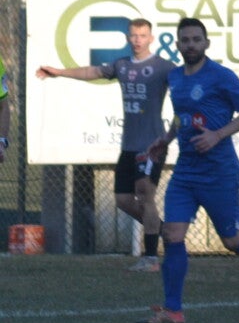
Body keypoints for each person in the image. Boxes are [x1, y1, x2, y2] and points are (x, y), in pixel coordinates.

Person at [136, 18, 239, 323]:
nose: (191, 45)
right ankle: (173, 310)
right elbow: (181, 117)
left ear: (206, 43)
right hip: (186, 171)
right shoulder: (175, 77)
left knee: (232, 240)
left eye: (196, 39)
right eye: (185, 40)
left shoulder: (221, 76)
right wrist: (166, 139)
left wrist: (217, 135)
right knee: (172, 234)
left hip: (219, 171)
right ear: (177, 45)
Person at [39, 18, 171, 271]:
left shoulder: (163, 67)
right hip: (129, 145)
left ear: (151, 38)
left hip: (152, 145)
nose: (138, 40)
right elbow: (93, 72)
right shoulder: (121, 65)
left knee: (145, 194)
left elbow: (185, 84)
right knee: (123, 200)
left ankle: (151, 258)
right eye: (133, 35)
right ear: (128, 38)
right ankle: (163, 230)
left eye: (143, 36)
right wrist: (59, 72)